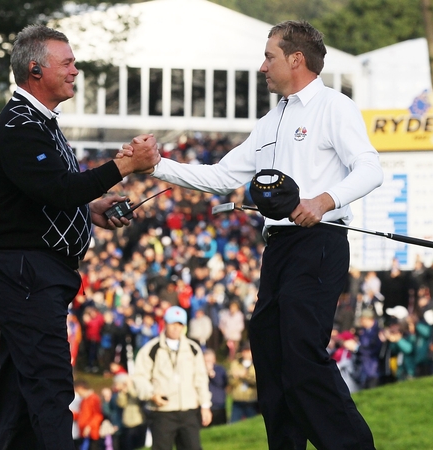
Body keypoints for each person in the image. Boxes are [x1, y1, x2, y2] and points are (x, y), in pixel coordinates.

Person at [142, 21, 381, 449]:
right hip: (281, 248)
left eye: (269, 57)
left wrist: (323, 201)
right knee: (270, 357)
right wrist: (155, 165)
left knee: (303, 354)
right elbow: (219, 176)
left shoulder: (334, 106)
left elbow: (370, 169)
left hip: (320, 241)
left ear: (296, 59)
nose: (262, 67)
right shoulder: (272, 118)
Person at [0, 25, 160, 450]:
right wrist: (126, 164)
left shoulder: (38, 120)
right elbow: (58, 190)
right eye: (68, 62)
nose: (76, 70)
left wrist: (89, 208)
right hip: (25, 273)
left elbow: (49, 189)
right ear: (36, 69)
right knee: (50, 383)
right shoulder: (21, 125)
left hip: (31, 270)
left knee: (23, 388)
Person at [130, 306, 211, 450]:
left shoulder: (193, 349)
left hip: (189, 410)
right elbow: (139, 377)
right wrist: (151, 394)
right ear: (165, 324)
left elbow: (201, 378)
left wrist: (205, 405)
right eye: (172, 323)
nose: (176, 328)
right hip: (162, 412)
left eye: (179, 324)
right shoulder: (151, 349)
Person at [228, 344, 258, 423]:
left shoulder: (257, 363)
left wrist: (244, 375)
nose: (246, 353)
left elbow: (256, 380)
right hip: (238, 401)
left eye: (248, 351)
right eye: (245, 351)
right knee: (233, 424)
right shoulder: (236, 363)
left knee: (252, 424)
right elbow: (231, 380)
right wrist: (238, 377)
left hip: (252, 401)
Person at [75, 380, 104, 450]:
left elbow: (98, 415)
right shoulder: (83, 400)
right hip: (84, 432)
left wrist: (89, 426)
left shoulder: (93, 398)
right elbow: (83, 415)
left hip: (92, 433)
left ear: (80, 388)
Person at [203, 349, 228, 426]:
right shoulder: (199, 370)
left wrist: (212, 374)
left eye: (210, 360)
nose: (208, 363)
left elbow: (221, 383)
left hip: (218, 405)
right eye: (206, 360)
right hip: (205, 405)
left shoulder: (220, 369)